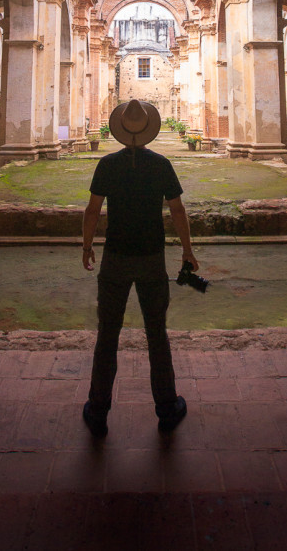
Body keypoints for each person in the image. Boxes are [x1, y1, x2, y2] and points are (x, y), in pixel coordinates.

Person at [81, 98, 198, 438]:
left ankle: (99, 410)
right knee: (156, 333)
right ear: (149, 131)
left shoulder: (107, 164)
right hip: (151, 257)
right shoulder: (161, 165)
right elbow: (177, 211)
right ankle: (166, 408)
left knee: (107, 335)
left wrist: (87, 247)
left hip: (115, 256)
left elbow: (92, 210)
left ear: (119, 130)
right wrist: (187, 250)